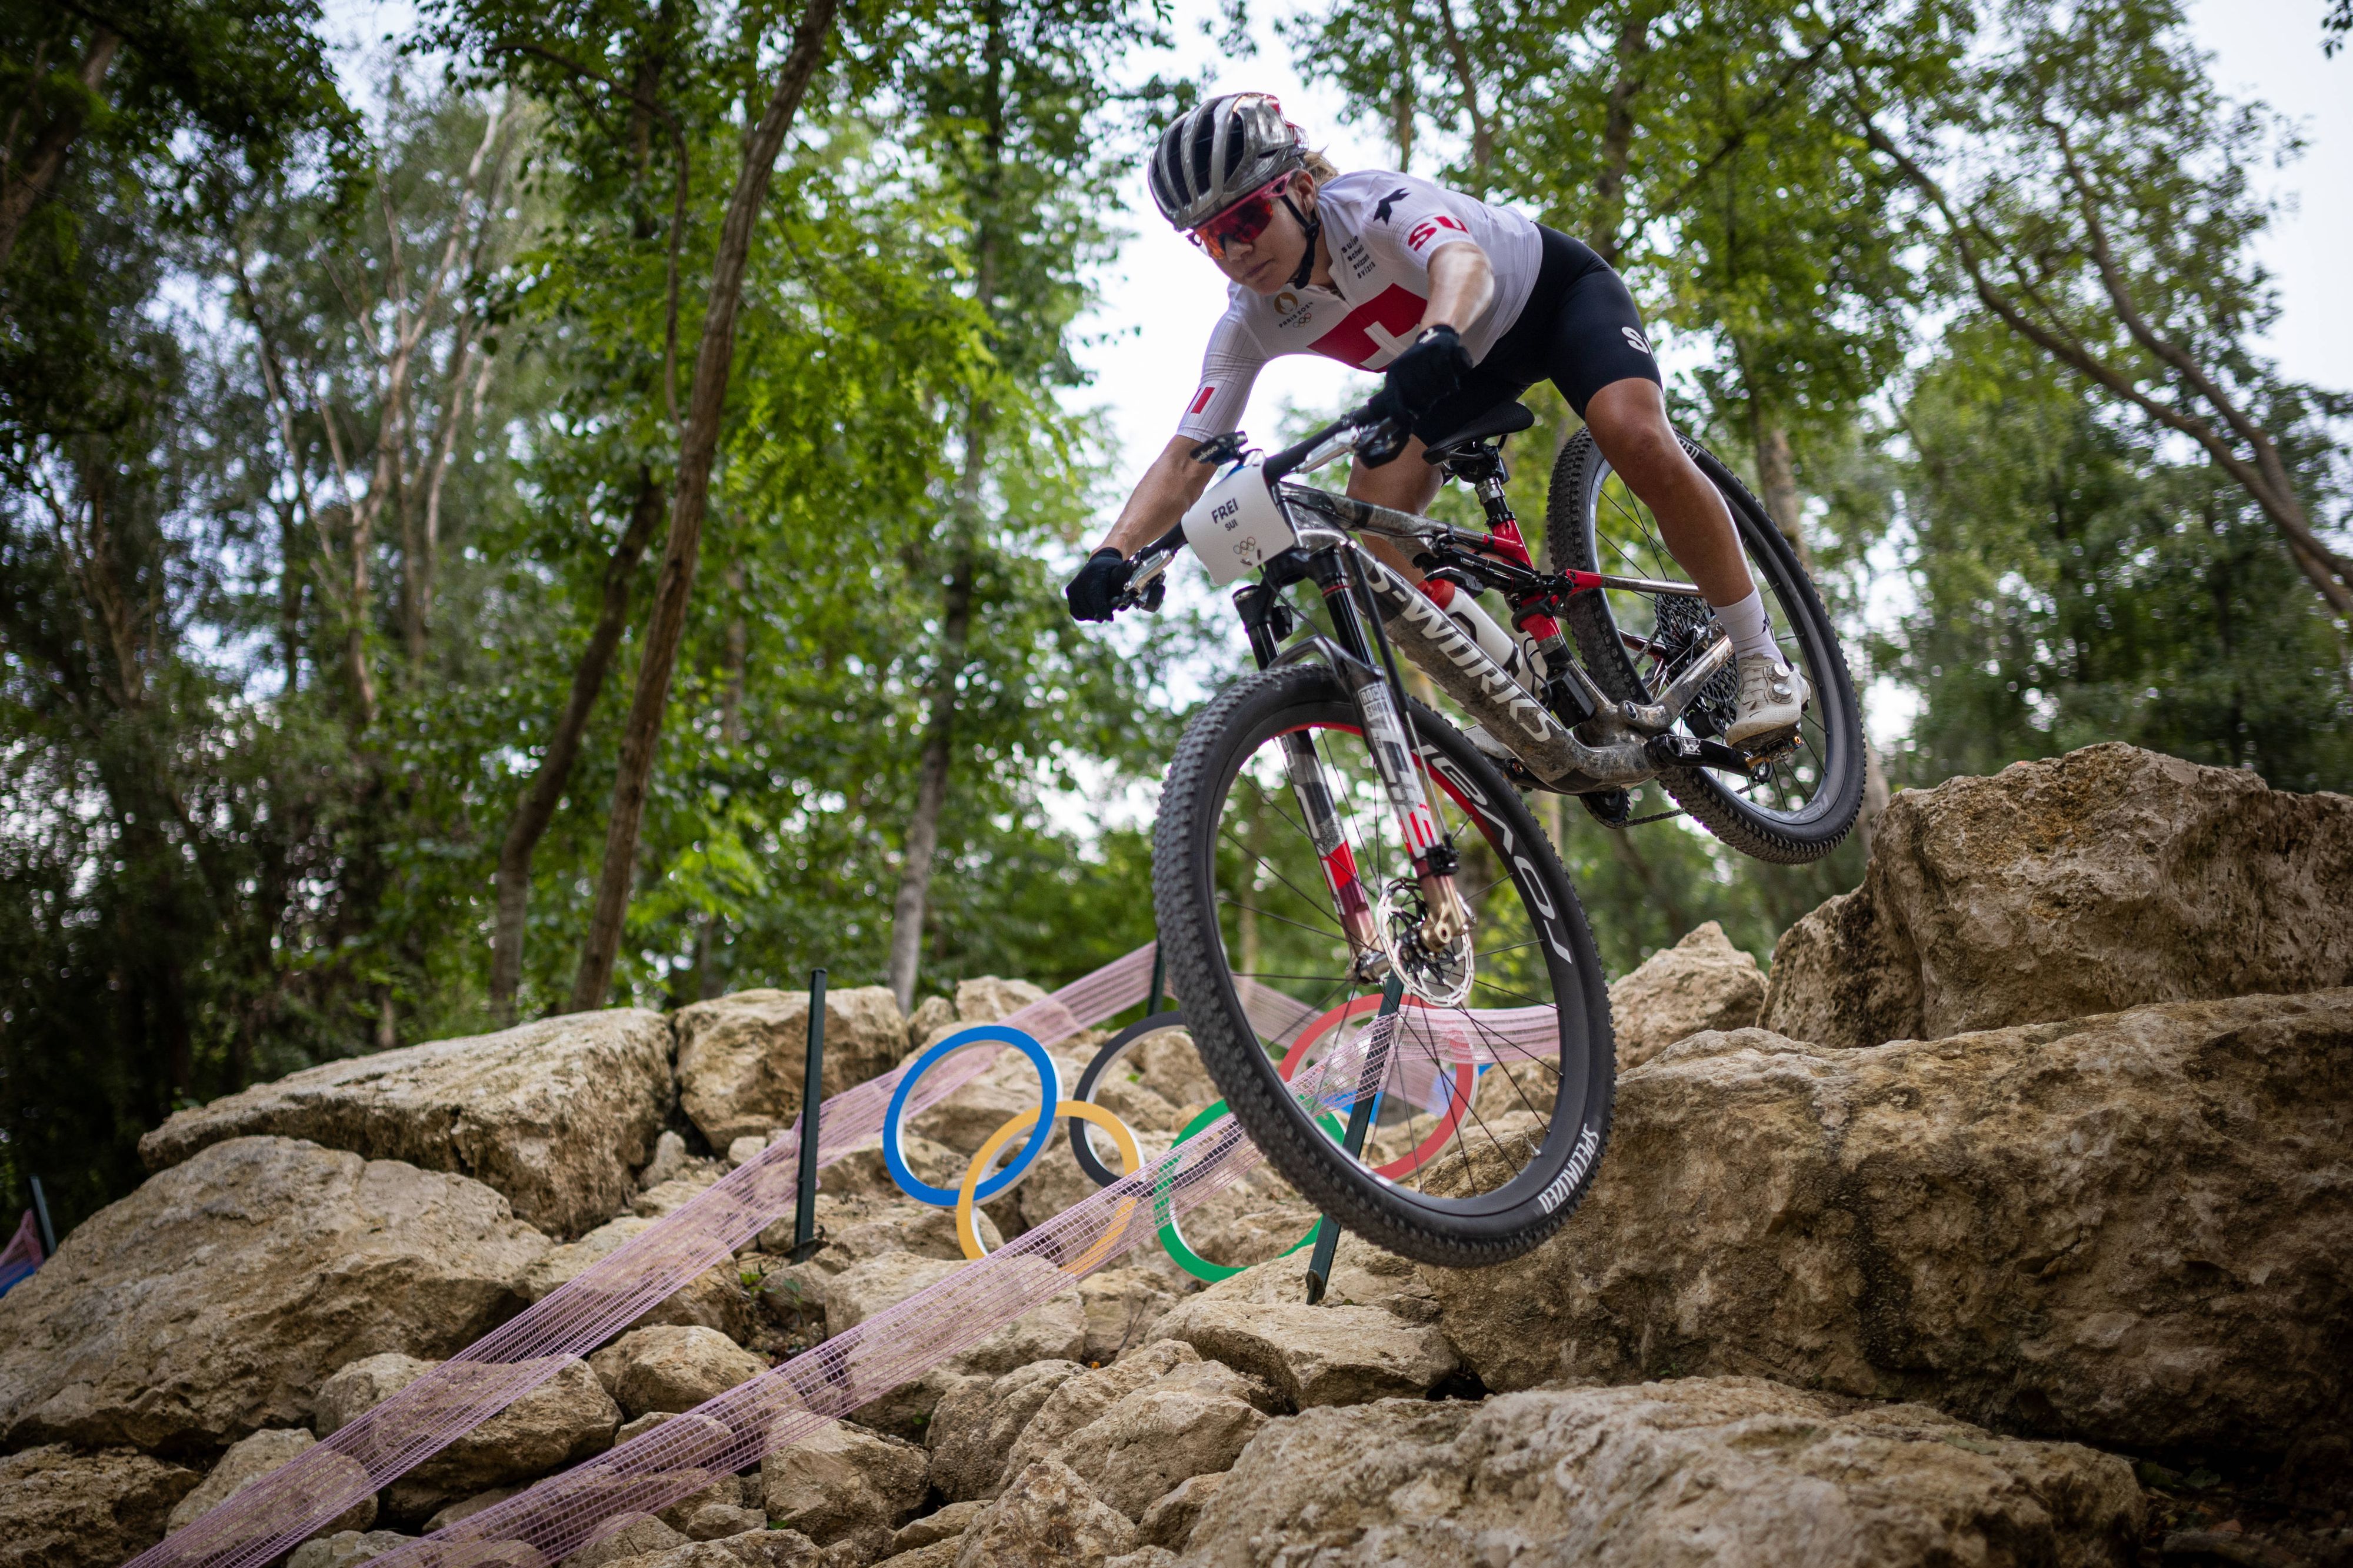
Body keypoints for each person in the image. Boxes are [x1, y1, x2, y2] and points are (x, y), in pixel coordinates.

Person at [1064, 92, 1808, 748]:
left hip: (1547, 305)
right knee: (1375, 531)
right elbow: (1188, 452)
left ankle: (1758, 656)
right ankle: (1515, 685)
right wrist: (1113, 552)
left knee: (1633, 433)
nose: (1234, 249)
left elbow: (1462, 263)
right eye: (1210, 238)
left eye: (1248, 218)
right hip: (1441, 362)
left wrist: (1440, 332)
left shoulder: (1371, 206)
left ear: (1296, 189)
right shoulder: (1249, 322)